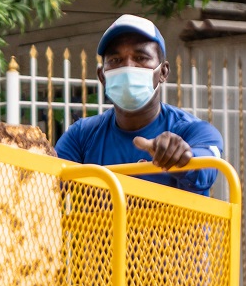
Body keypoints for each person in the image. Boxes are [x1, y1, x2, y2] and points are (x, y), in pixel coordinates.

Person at [55, 14, 222, 196]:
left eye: (141, 58)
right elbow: (46, 184)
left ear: (163, 72)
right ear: (102, 76)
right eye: (116, 60)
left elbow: (207, 170)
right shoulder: (81, 136)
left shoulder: (195, 131)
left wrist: (181, 157)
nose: (128, 67)